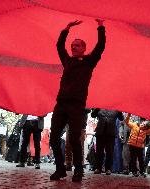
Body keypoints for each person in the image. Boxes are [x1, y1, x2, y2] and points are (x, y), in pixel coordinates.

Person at [49, 19, 106, 182]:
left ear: (84, 48)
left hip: (77, 106)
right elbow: (59, 46)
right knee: (54, 139)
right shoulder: (67, 60)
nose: (73, 47)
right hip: (61, 104)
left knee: (74, 139)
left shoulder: (89, 61)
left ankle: (78, 171)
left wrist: (101, 26)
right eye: (72, 46)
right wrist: (66, 29)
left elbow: (101, 46)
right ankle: (60, 169)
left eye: (77, 45)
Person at [91, 108, 124, 175]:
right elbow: (92, 115)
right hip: (100, 132)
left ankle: (108, 169)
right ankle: (98, 168)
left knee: (110, 151)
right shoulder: (99, 107)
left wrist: (120, 110)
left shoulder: (116, 108)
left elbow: (121, 118)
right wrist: (96, 108)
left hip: (110, 133)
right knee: (99, 151)